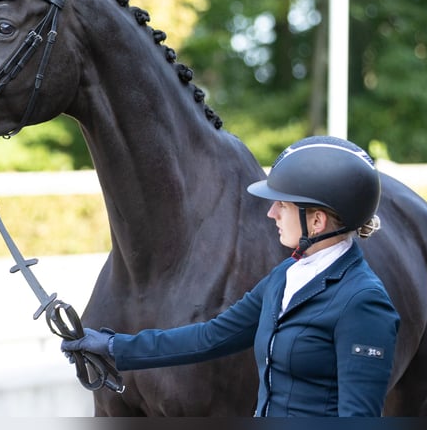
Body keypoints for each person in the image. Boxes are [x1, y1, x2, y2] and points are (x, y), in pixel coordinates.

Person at [62, 135, 400, 417]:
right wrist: (112, 346)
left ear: (317, 222)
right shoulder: (286, 276)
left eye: (281, 205)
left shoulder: (364, 303)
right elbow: (209, 337)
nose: (271, 213)